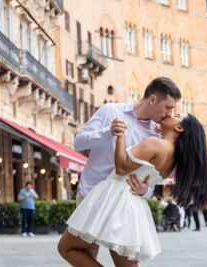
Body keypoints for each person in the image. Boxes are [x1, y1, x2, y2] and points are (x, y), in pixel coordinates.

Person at [57, 113, 207, 267]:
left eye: (177, 115)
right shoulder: (173, 157)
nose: (170, 114)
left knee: (67, 247)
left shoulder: (155, 143)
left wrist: (120, 135)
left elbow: (120, 167)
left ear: (180, 128)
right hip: (132, 206)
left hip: (114, 198)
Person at [61, 77, 181, 259]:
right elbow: (78, 142)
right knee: (85, 256)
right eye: (168, 107)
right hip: (89, 195)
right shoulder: (110, 110)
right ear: (153, 99)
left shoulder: (154, 136)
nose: (169, 113)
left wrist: (143, 192)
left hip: (121, 205)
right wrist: (107, 131)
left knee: (123, 261)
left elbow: (148, 182)